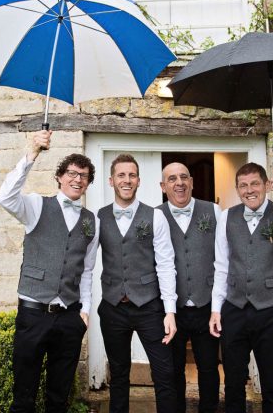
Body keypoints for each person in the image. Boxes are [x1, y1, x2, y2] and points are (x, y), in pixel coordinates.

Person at [0, 130, 99, 413]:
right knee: (23, 395)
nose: (77, 179)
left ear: (89, 183)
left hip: (69, 317)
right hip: (34, 313)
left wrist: (85, 310)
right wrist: (32, 153)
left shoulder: (92, 221)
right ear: (59, 176)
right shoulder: (35, 205)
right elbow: (6, 197)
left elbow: (87, 269)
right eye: (71, 173)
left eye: (84, 175)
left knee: (58, 397)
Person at [208, 163, 273, 413]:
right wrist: (216, 309)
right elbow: (221, 265)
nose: (249, 190)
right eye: (243, 185)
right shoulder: (227, 216)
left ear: (266, 185)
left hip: (272, 310)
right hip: (235, 310)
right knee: (233, 383)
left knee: (272, 383)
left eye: (255, 184)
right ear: (238, 189)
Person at [97, 153, 178, 413]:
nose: (127, 180)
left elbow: (166, 265)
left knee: (164, 374)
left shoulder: (155, 217)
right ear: (111, 181)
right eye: (121, 175)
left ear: (139, 181)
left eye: (132, 175)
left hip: (149, 307)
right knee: (118, 376)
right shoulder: (99, 218)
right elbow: (85, 263)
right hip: (112, 308)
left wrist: (170, 311)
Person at [158, 162, 223, 413]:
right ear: (164, 187)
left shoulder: (214, 212)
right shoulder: (155, 215)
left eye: (184, 177)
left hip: (207, 306)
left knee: (208, 368)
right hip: (171, 310)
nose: (179, 183)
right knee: (173, 370)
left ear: (193, 182)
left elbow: (223, 259)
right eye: (172, 179)